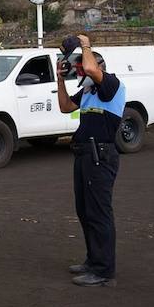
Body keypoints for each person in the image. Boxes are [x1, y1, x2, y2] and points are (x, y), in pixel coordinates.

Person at [56, 34, 126, 287]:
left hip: (101, 154)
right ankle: (93, 260)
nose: (79, 72)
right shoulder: (87, 91)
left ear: (98, 68)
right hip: (85, 153)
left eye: (82, 67)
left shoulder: (111, 85)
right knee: (85, 211)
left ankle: (103, 270)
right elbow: (64, 107)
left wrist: (85, 44)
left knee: (99, 212)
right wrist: (60, 79)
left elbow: (88, 67)